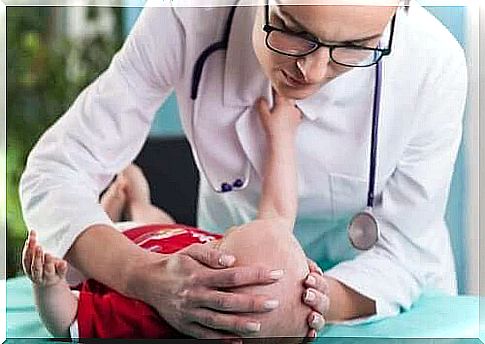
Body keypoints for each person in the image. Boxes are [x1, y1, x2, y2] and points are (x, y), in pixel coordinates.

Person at [19, 0, 468, 338]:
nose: (311, 70)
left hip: (380, 292)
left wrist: (305, 302)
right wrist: (145, 276)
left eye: (355, 47)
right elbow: (54, 173)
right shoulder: (188, 14)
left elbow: (403, 252)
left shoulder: (433, 65)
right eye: (293, 30)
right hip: (223, 266)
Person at [21, 96, 315, 339]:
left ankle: (110, 210)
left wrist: (47, 284)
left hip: (102, 254)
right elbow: (278, 208)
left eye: (226, 240)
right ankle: (137, 202)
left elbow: (68, 321)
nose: (231, 229)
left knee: (71, 266)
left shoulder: (160, 314)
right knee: (158, 220)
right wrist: (281, 136)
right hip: (161, 233)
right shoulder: (240, 260)